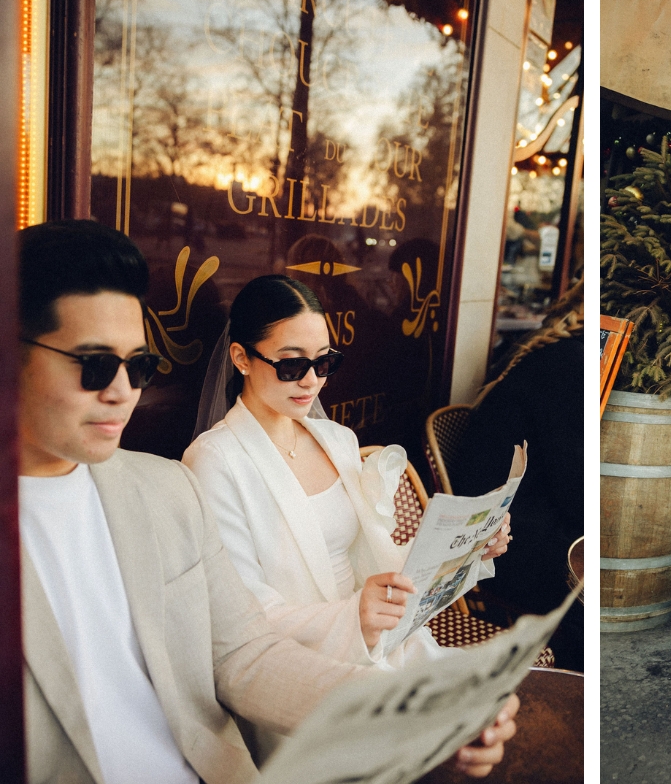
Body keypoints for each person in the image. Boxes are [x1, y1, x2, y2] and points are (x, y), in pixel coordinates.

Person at [17, 220, 516, 784]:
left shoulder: (163, 491)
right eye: (95, 365)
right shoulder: (206, 466)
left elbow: (242, 654)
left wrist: (416, 705)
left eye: (138, 367)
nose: (122, 392)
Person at [182, 274, 512, 759]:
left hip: (387, 642)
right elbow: (241, 621)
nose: (312, 381)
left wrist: (467, 548)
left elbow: (379, 559)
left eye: (324, 362)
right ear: (241, 358)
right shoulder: (214, 461)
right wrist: (351, 616)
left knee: (486, 725)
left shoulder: (337, 440)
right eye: (292, 364)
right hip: (299, 672)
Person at [455, 279, 584, 671]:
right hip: (500, 544)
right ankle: (571, 690)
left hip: (502, 522)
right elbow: (573, 489)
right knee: (589, 590)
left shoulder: (552, 348)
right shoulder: (572, 361)